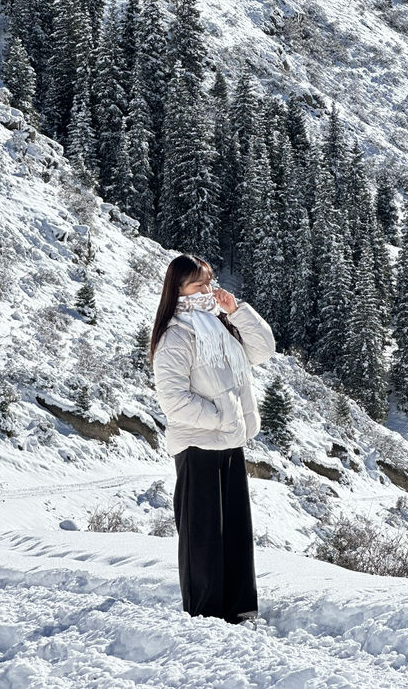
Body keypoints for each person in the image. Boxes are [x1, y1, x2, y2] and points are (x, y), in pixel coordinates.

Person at [150, 252, 276, 624]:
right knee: (202, 535)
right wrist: (221, 418)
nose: (207, 289)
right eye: (198, 284)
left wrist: (236, 311)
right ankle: (204, 613)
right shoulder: (176, 336)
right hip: (197, 445)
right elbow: (173, 400)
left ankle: (239, 608)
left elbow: (264, 349)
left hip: (229, 442)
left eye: (209, 281)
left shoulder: (220, 326)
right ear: (178, 290)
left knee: (236, 530)